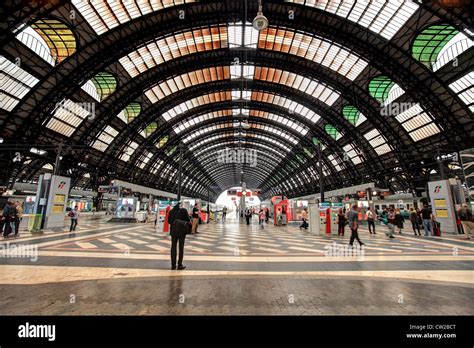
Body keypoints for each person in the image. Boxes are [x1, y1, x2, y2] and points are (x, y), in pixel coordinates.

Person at [168, 202, 191, 270]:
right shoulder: (184, 210)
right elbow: (188, 220)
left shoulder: (171, 211)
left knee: (173, 247)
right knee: (181, 248)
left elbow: (169, 221)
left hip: (173, 231)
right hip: (182, 231)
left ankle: (173, 265)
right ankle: (180, 265)